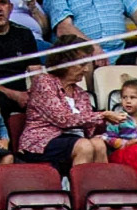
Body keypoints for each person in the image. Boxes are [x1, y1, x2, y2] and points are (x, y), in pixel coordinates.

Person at [15, 39, 110, 177]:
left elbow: (88, 127)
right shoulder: (44, 82)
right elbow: (62, 119)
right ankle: (79, 194)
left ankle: (101, 193)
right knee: (84, 145)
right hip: (41, 141)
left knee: (98, 144)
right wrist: (102, 116)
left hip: (73, 139)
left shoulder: (81, 93)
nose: (87, 69)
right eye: (82, 64)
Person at [45, 0, 137, 76]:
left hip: (120, 49)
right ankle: (91, 108)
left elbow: (136, 8)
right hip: (85, 52)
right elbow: (64, 28)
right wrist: (93, 47)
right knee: (82, 59)